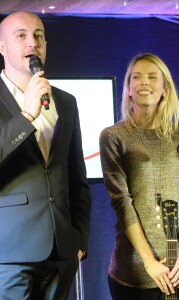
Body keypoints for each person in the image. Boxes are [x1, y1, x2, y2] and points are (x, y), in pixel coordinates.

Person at [0, 12, 91, 299]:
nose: (32, 42)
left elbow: (76, 176)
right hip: (8, 253)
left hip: (61, 253)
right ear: (2, 47)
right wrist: (26, 115)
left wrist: (79, 240)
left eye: (38, 35)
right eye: (21, 35)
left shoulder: (65, 101)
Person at [100, 53, 179, 300]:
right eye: (137, 77)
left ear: (165, 89)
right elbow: (122, 201)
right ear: (129, 90)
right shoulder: (113, 136)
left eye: (152, 77)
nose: (144, 82)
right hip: (133, 268)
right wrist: (149, 262)